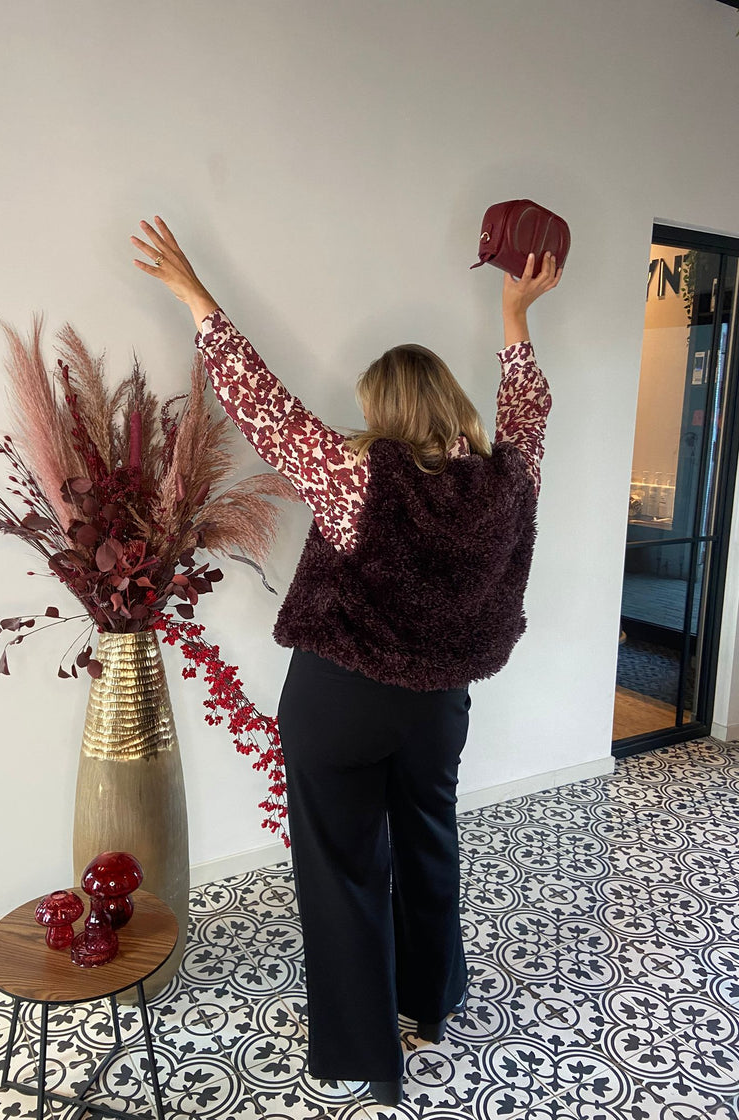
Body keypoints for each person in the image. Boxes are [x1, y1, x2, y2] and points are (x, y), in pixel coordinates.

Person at [131, 216, 561, 1106]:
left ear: (387, 412)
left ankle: (371, 1052)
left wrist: (194, 296)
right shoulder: (511, 478)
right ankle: (431, 1003)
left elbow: (263, 404)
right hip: (440, 703)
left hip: (342, 700)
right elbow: (528, 410)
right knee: (429, 837)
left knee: (341, 866)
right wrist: (516, 316)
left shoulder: (356, 475)